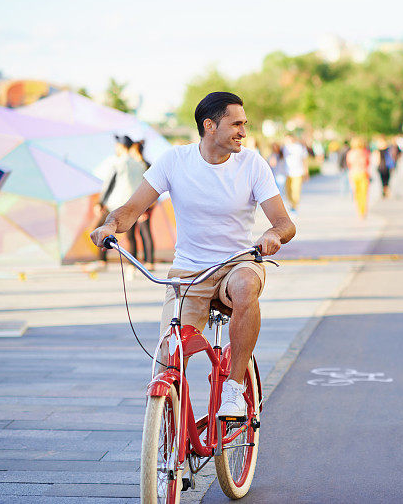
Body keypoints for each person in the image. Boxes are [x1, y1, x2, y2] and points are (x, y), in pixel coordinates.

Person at [90, 92, 295, 419]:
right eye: (236, 124)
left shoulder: (253, 164)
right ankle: (173, 444)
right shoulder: (174, 161)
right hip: (188, 272)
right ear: (209, 126)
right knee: (170, 357)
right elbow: (131, 209)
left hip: (238, 263)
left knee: (245, 286)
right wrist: (110, 225)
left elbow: (284, 223)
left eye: (245, 124)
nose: (243, 131)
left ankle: (234, 388)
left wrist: (272, 234)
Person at [92, 135, 143, 267]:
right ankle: (132, 265)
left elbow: (109, 183)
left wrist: (100, 202)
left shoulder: (118, 163)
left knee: (100, 229)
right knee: (131, 236)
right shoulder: (139, 164)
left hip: (115, 203)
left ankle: (101, 260)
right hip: (132, 204)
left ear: (121, 146)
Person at [129, 140, 155, 270]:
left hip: (146, 205)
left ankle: (149, 260)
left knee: (145, 231)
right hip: (137, 205)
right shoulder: (135, 165)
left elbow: (150, 190)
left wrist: (145, 208)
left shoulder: (145, 165)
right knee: (133, 233)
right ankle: (135, 261)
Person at [281, 136, 308, 214]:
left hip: (298, 172)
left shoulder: (299, 147)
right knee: (288, 190)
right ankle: (291, 204)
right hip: (287, 172)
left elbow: (304, 159)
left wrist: (306, 171)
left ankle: (294, 207)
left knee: (296, 190)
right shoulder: (284, 147)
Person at [346, 138, 371, 219]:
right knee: (363, 193)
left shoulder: (350, 153)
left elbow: (349, 164)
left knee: (356, 193)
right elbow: (367, 163)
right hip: (363, 173)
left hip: (353, 174)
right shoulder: (364, 152)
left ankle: (359, 211)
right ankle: (362, 211)